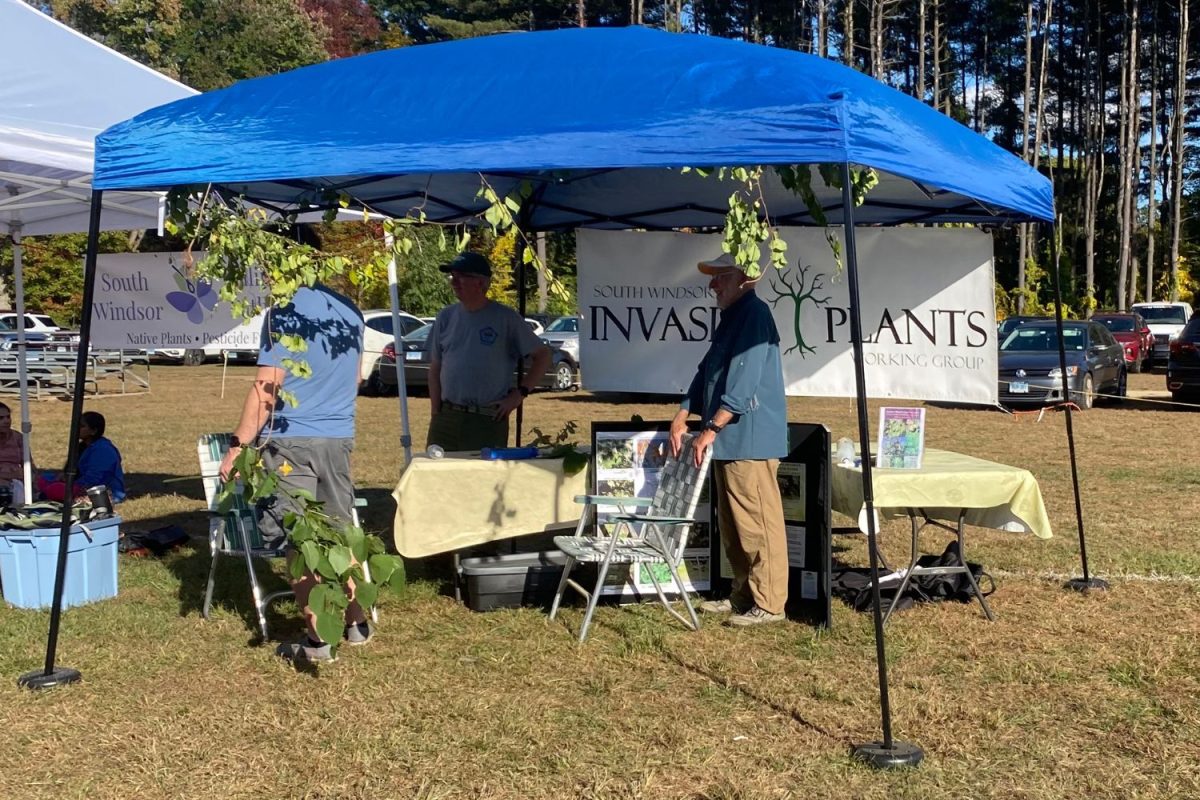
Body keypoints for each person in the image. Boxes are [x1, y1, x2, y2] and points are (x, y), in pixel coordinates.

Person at [218, 281, 366, 664]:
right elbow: (355, 379)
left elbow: (267, 388)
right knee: (338, 530)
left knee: (299, 538)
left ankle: (318, 641)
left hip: (291, 440)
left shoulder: (284, 313)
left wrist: (237, 446)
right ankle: (356, 623)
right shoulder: (349, 308)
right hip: (338, 438)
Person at [669, 252, 789, 628]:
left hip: (748, 438)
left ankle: (769, 604)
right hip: (728, 438)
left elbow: (744, 380)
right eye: (714, 277)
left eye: (721, 276)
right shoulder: (731, 317)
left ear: (744, 278)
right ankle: (743, 596)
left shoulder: (754, 314)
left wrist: (711, 428)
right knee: (736, 525)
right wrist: (683, 412)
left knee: (757, 524)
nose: (712, 284)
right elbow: (709, 370)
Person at [426, 251, 552, 451]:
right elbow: (435, 368)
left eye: (461, 277)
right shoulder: (445, 317)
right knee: (437, 478)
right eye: (452, 277)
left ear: (480, 283)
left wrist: (519, 394)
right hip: (447, 417)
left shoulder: (505, 319)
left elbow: (543, 356)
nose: (454, 282)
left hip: (487, 418)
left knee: (482, 479)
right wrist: (436, 413)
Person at [37, 411, 124, 503]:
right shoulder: (83, 446)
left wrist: (72, 484)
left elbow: (95, 479)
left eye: (81, 426)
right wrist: (64, 477)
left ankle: (41, 495)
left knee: (55, 489)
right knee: (42, 479)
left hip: (99, 491)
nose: (76, 429)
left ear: (93, 431)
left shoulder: (103, 449)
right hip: (79, 484)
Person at [0, 401, 33, 496]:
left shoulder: (18, 437)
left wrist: (30, 476)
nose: (6, 421)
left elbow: (28, 463)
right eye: (1, 418)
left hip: (17, 480)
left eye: (8, 417)